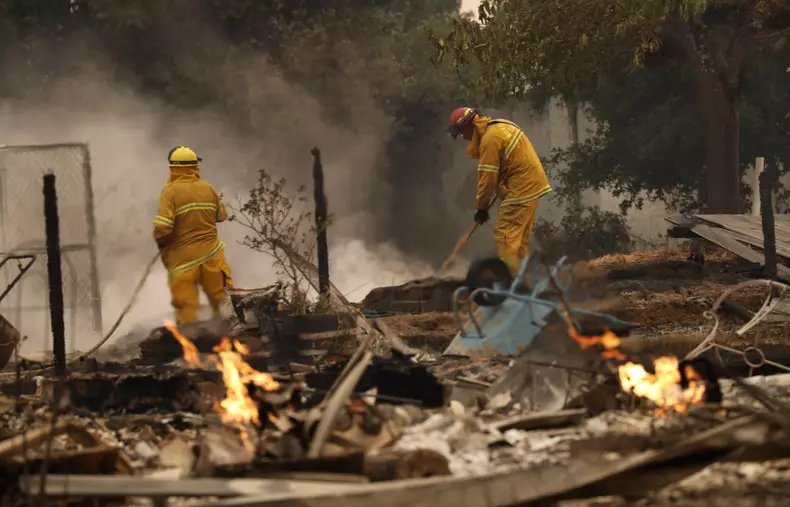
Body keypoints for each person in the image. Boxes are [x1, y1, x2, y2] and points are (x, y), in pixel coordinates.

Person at [448, 107, 552, 275]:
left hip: (522, 186)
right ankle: (525, 279)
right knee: (518, 241)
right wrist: (502, 191)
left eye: (462, 132)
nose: (464, 137)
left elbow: (487, 178)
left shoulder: (489, 140)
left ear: (471, 126)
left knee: (505, 236)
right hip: (530, 183)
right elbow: (505, 167)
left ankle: (511, 281)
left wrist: (482, 208)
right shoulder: (499, 126)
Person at [153, 146, 233, 324]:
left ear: (173, 168)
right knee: (223, 301)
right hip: (212, 256)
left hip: (183, 262)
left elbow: (162, 227)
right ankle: (229, 338)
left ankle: (188, 344)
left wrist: (162, 242)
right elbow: (221, 216)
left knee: (186, 306)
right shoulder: (208, 188)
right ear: (195, 166)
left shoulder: (170, 192)